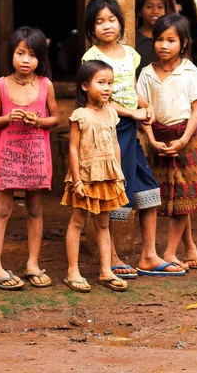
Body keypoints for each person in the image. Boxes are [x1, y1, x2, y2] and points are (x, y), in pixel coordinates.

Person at [82, 0, 185, 278]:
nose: (107, 26)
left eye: (112, 20)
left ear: (121, 23)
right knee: (115, 191)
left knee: (147, 187)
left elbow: (128, 89)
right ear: (91, 28)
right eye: (99, 21)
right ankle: (112, 255)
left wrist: (144, 104)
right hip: (108, 131)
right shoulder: (91, 58)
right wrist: (133, 114)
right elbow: (98, 101)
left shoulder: (131, 54)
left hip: (129, 129)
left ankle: (149, 255)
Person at [0, 27, 60, 290]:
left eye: (32, 55)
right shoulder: (1, 85)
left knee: (35, 210)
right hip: (8, 158)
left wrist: (38, 121)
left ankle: (33, 264)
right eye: (20, 53)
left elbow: (55, 118)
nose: (26, 60)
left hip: (35, 158)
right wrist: (6, 118)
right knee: (2, 209)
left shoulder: (45, 85)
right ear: (11, 54)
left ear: (41, 59)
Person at [137, 13, 197, 270]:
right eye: (159, 39)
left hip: (186, 139)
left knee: (183, 196)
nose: (164, 45)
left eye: (171, 40)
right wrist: (150, 139)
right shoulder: (146, 74)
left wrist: (183, 139)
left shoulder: (191, 72)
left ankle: (169, 252)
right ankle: (189, 248)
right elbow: (144, 111)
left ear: (184, 43)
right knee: (170, 194)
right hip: (159, 139)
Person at [60, 61, 129, 293]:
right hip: (86, 177)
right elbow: (73, 149)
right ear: (85, 86)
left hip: (108, 177)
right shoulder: (80, 115)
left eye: (110, 83)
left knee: (103, 223)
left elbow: (116, 145)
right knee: (78, 222)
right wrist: (77, 180)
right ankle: (73, 272)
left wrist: (118, 175)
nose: (107, 87)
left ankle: (106, 270)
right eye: (101, 82)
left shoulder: (111, 113)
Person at [135, 0, 168, 78]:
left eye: (160, 7)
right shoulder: (133, 38)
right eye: (149, 7)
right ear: (139, 11)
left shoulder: (171, 38)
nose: (155, 11)